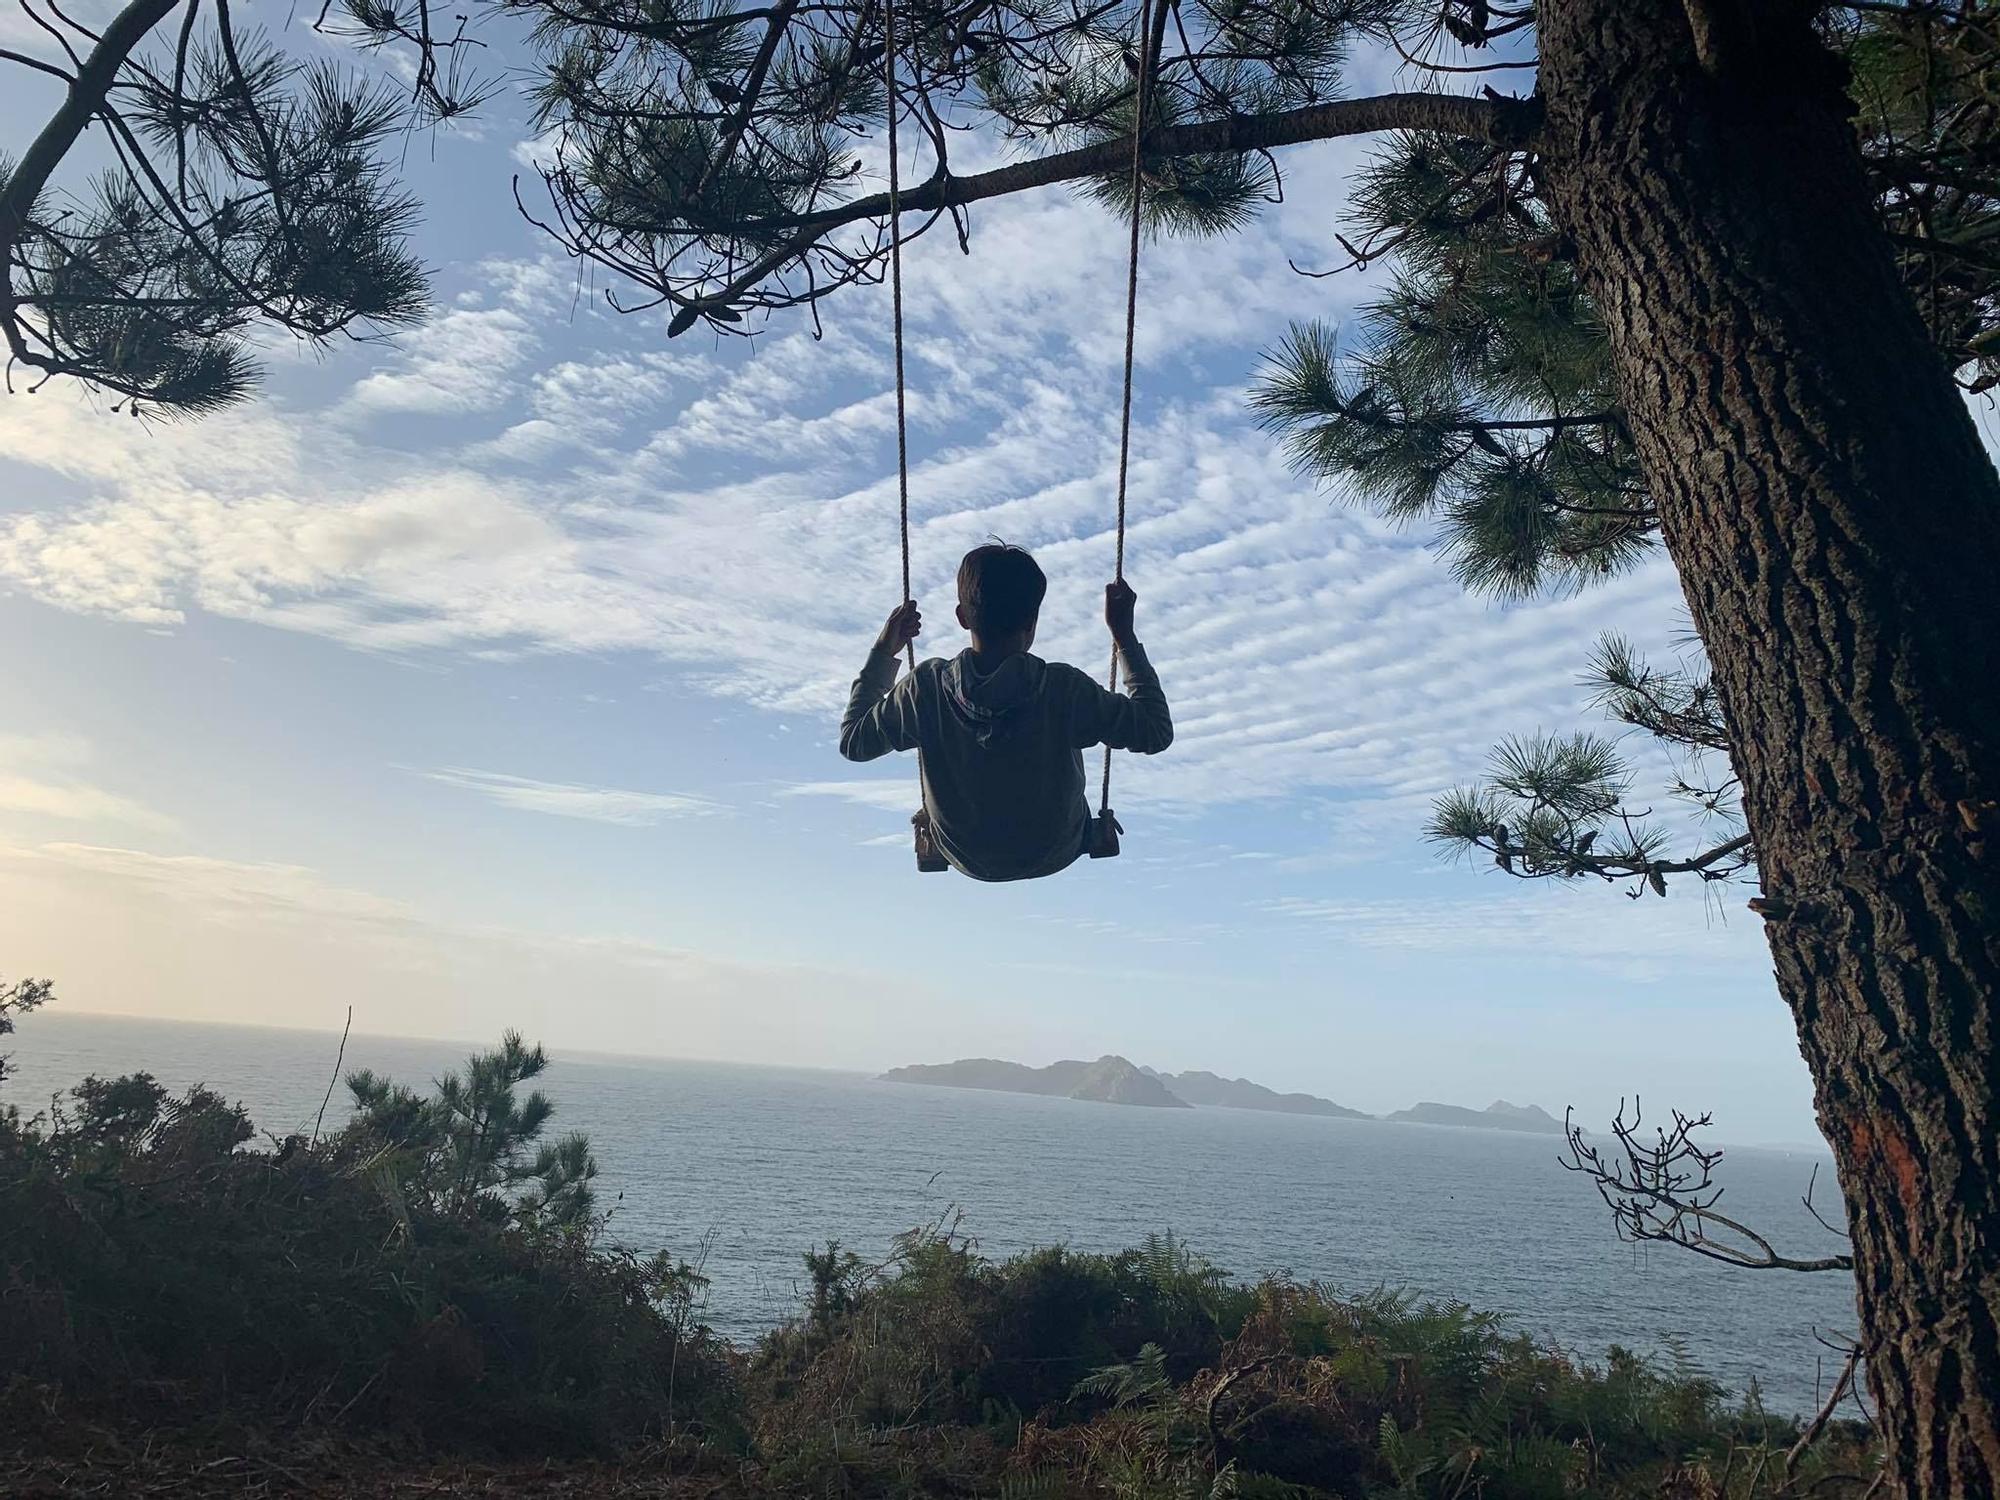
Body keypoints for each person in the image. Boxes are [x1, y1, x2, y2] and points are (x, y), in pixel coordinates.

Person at [838, 542, 1173, 880]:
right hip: (1055, 849)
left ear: (961, 616)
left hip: (967, 855)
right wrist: (1124, 636)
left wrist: (883, 651)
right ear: (1032, 619)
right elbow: (1155, 731)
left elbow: (854, 742)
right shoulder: (1063, 690)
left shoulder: (925, 689)